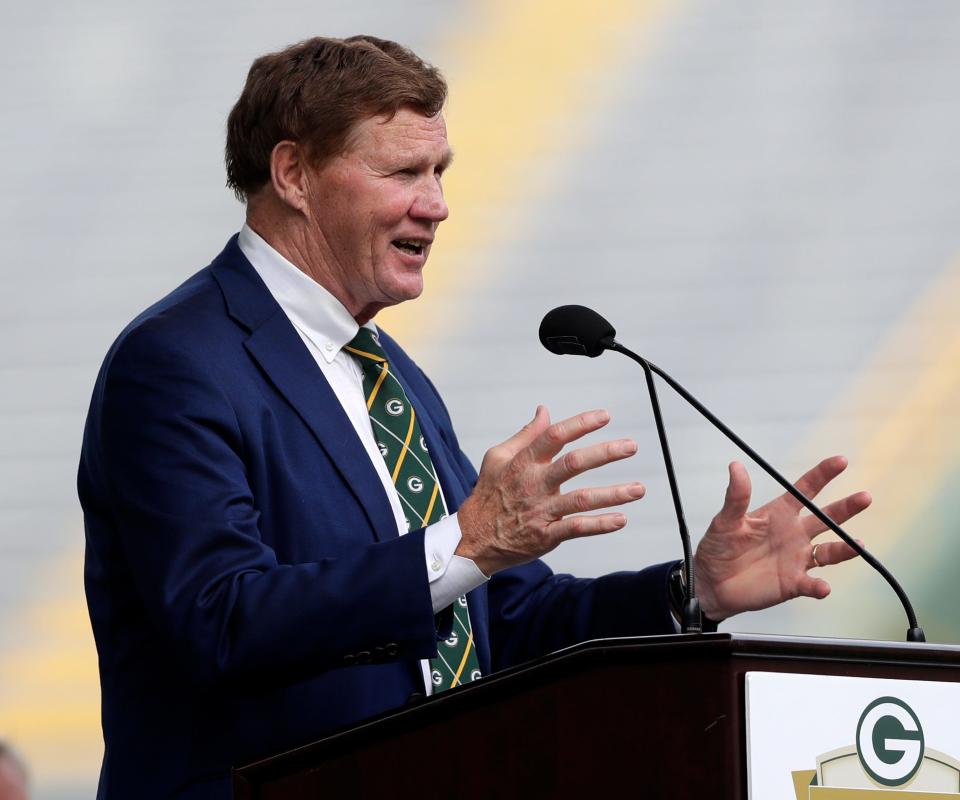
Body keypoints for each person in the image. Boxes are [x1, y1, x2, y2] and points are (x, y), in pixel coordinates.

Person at [77, 35, 870, 799]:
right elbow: (223, 619)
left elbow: (507, 619)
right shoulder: (179, 363)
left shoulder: (389, 374)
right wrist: (466, 541)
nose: (438, 205)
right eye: (404, 172)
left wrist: (693, 590)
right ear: (293, 173)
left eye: (441, 171)